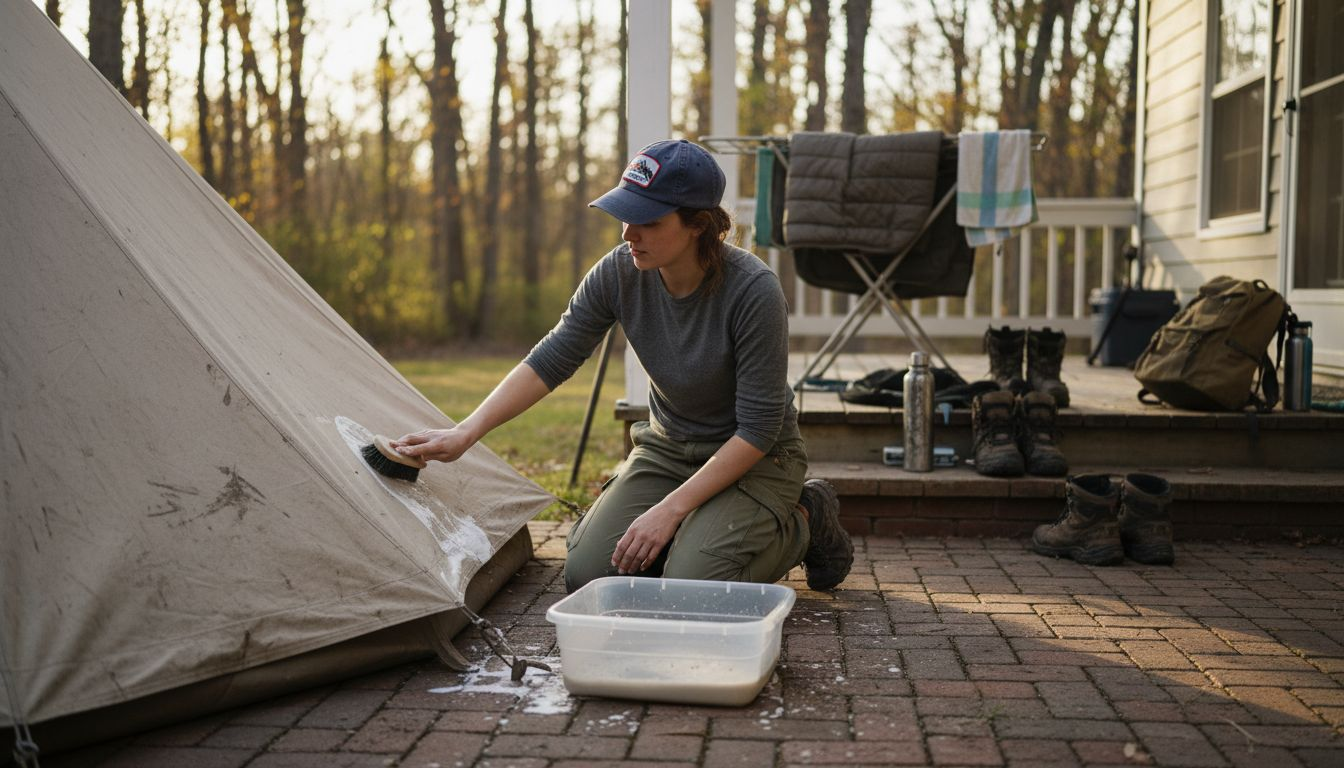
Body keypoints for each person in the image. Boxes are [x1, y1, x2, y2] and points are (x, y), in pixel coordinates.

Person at [391, 139, 853, 593]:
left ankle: (806, 519)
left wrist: (669, 511)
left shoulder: (753, 290)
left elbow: (757, 428)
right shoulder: (618, 272)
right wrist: (465, 432)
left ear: (697, 224)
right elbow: (553, 358)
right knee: (591, 574)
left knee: (694, 586)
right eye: (625, 217)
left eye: (647, 221)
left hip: (758, 458)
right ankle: (692, 535)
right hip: (669, 449)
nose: (628, 234)